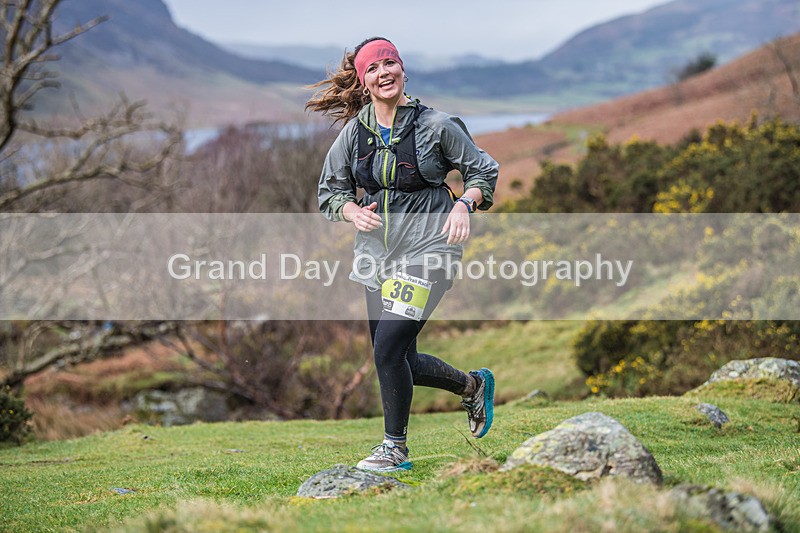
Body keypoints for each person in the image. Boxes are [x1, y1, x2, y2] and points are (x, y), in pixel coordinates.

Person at [307, 37, 499, 473]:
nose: (384, 73)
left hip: (430, 250)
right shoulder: (354, 135)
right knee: (400, 356)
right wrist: (352, 210)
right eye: (373, 69)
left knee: (388, 350)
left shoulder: (437, 125)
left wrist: (464, 203)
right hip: (376, 259)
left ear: (403, 69)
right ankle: (472, 387)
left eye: (390, 63)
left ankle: (395, 448)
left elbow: (483, 170)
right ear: (364, 81)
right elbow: (329, 195)